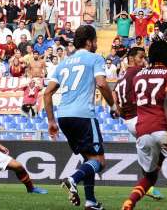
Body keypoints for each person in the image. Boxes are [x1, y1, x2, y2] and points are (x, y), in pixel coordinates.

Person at [43, 25, 116, 210]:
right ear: (89, 41)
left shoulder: (64, 63)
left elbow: (47, 93)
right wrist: (113, 105)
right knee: (99, 161)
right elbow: (101, 83)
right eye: (95, 41)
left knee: (89, 159)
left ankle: (90, 201)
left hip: (63, 116)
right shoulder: (94, 59)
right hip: (83, 115)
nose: (97, 44)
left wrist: (51, 121)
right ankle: (72, 179)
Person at [121, 39, 167, 210]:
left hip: (143, 131)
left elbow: (132, 102)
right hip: (164, 128)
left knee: (151, 176)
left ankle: (129, 202)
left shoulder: (138, 75)